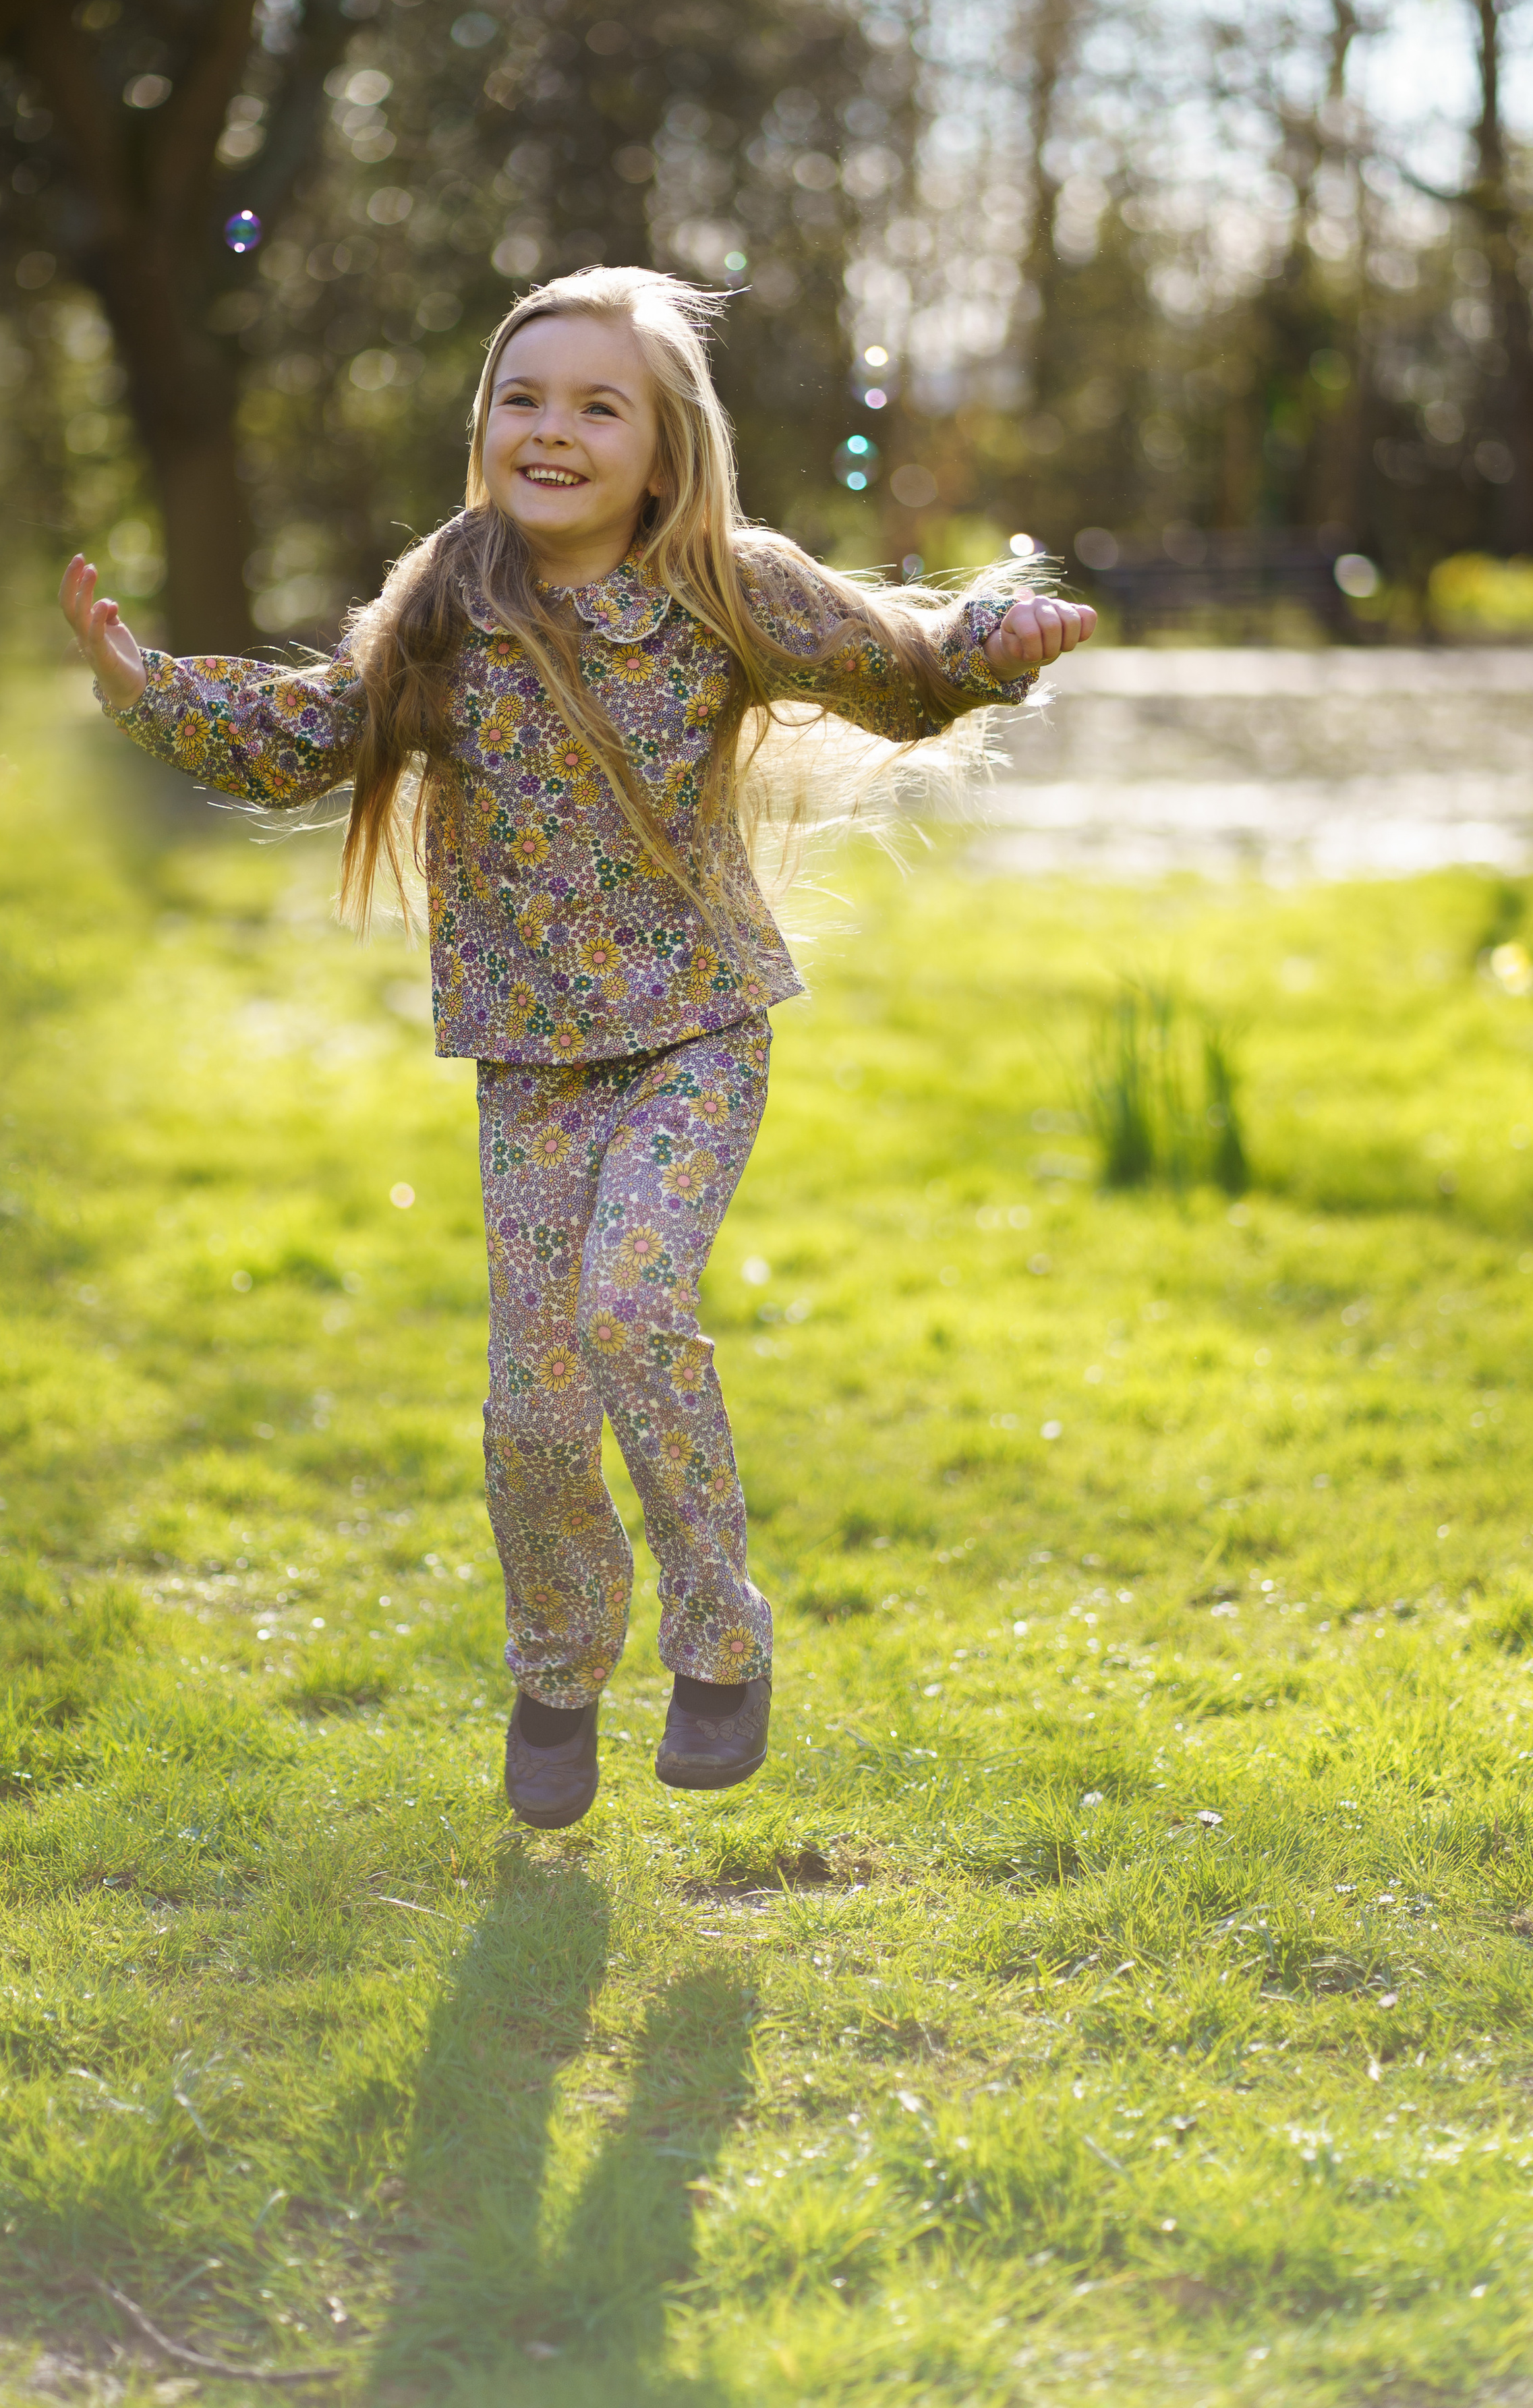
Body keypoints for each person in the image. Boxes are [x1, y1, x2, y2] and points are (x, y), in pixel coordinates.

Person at [60, 264, 1095, 1831]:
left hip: (695, 1034)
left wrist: (996, 635)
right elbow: (312, 732)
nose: (549, 429)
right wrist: (146, 687)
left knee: (627, 1306)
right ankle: (555, 1677)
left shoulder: (725, 587)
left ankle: (719, 1644)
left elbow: (894, 667)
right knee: (534, 1408)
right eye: (521, 399)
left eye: (596, 407)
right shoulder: (445, 602)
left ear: (662, 455)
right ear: (483, 425)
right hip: (532, 1067)